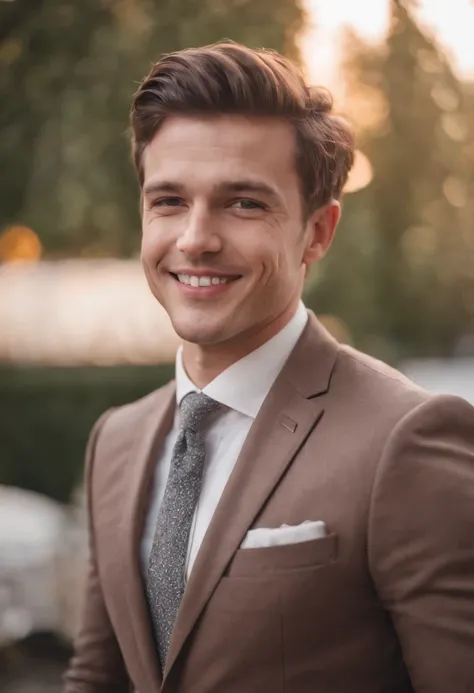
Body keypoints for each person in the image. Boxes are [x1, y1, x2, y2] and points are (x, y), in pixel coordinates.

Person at [64, 42, 474, 693]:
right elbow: (97, 676)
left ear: (317, 231)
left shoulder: (409, 440)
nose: (196, 237)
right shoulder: (114, 440)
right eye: (168, 200)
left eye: (244, 203)